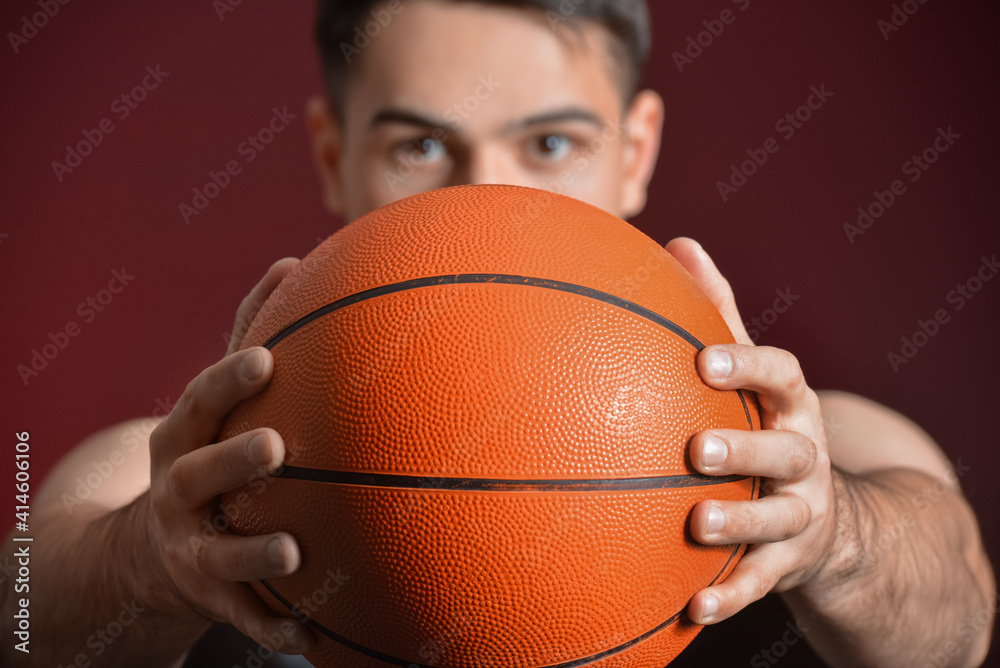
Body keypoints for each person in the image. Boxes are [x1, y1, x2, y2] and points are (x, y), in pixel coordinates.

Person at [2, 1, 994, 666]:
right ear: (334, 153)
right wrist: (142, 557)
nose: (488, 191)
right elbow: (18, 609)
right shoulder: (194, 469)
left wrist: (831, 533)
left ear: (637, 147)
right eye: (420, 144)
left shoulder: (800, 452)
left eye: (551, 141)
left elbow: (962, 622)